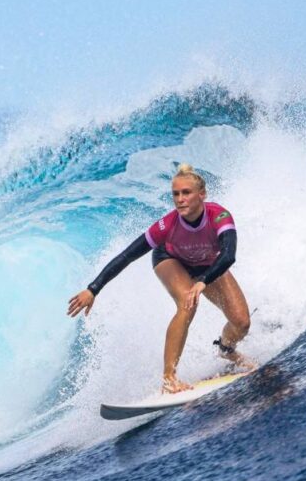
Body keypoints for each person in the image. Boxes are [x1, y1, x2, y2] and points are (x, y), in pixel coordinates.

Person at [67, 163, 257, 393]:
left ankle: (226, 350)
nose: (180, 199)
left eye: (186, 193)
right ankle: (169, 379)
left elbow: (228, 255)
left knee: (241, 322)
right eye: (176, 194)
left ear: (202, 195)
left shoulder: (219, 216)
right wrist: (93, 288)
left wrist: (202, 280)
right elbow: (127, 255)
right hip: (170, 259)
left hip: (208, 265)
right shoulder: (167, 225)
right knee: (188, 303)